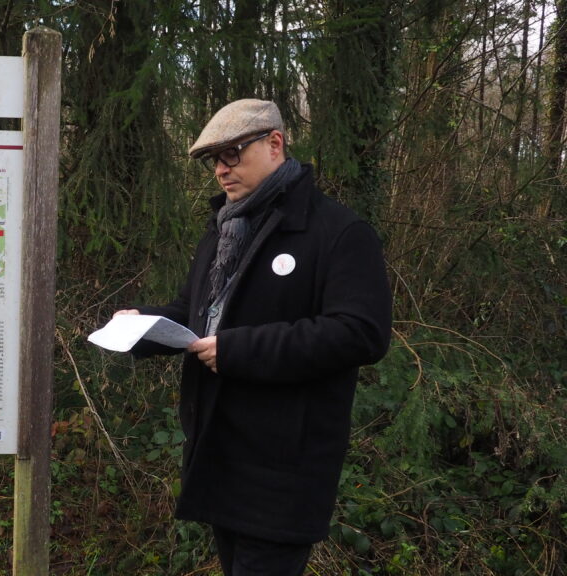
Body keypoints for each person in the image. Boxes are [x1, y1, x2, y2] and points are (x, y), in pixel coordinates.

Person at [114, 99, 392, 575]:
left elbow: (361, 333)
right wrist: (142, 325)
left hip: (284, 471)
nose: (221, 170)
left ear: (275, 143)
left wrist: (240, 350)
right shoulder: (224, 229)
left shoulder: (339, 232)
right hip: (221, 457)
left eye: (232, 154)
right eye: (212, 160)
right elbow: (197, 314)